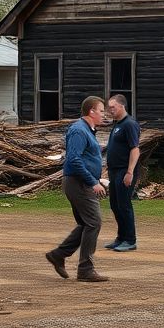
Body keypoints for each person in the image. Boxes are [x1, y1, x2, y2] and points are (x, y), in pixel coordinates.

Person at [45, 96, 110, 282]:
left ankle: (58, 255)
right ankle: (85, 270)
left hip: (80, 182)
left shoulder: (88, 130)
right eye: (101, 111)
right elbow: (73, 159)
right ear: (91, 111)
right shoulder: (79, 131)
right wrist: (92, 182)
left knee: (86, 224)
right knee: (94, 222)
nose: (103, 114)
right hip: (78, 183)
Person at [103, 94, 140, 252]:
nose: (110, 110)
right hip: (114, 170)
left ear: (122, 106)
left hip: (125, 170)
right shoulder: (118, 124)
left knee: (124, 204)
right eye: (109, 107)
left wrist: (130, 172)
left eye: (113, 107)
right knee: (115, 204)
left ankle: (130, 239)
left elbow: (135, 149)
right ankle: (121, 237)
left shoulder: (129, 124)